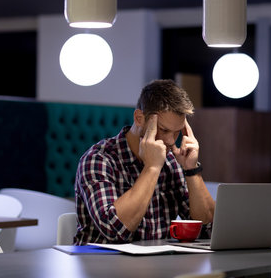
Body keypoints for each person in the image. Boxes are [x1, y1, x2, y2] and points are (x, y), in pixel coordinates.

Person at [74, 79, 215, 245]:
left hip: (157, 266)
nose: (171, 141)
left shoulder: (171, 162)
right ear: (139, 118)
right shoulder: (98, 159)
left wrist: (191, 170)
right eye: (164, 130)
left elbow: (209, 229)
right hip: (100, 265)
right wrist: (152, 167)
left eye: (177, 132)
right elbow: (114, 230)